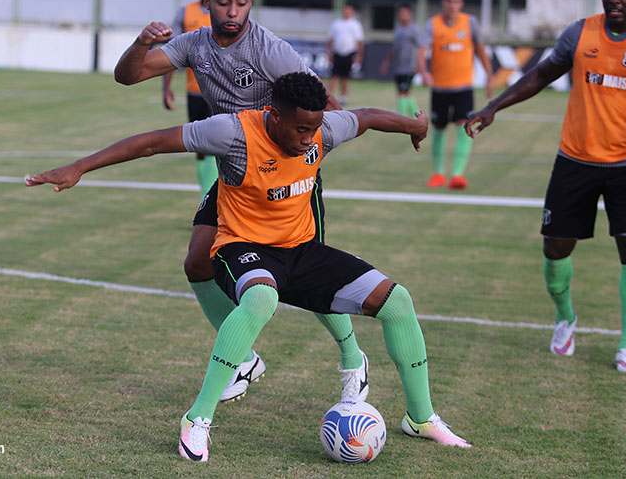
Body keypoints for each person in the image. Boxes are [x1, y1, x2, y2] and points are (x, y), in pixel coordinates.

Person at [26, 72, 472, 461]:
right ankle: (197, 418)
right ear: (272, 115)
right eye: (299, 129)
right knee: (261, 297)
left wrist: (414, 126)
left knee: (396, 301)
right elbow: (152, 143)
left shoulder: (319, 130)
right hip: (242, 247)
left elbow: (369, 116)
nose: (306, 139)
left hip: (301, 250)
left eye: (313, 130)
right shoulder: (232, 133)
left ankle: (421, 418)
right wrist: (80, 167)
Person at [113, 0, 369, 405]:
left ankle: (353, 359)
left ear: (252, 2)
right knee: (197, 262)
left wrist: (321, 144)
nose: (233, 11)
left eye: (242, 2)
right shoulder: (194, 43)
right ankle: (245, 360)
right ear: (206, 1)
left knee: (305, 274)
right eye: (224, 2)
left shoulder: (270, 49)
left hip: (285, 177)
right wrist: (140, 44)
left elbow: (320, 99)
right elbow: (128, 75)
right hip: (236, 173)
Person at [465, 0, 626, 374]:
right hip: (576, 159)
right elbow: (539, 76)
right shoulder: (580, 34)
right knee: (555, 248)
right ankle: (565, 319)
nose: (614, 0)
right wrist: (493, 106)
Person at [417, 0, 493, 190]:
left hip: (463, 87)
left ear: (461, 4)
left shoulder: (470, 23)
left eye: (456, 1)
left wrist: (489, 77)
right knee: (439, 129)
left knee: (464, 127)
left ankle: (458, 175)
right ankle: (438, 173)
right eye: (449, 1)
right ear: (444, 2)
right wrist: (424, 73)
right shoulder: (433, 24)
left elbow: (481, 50)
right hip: (440, 88)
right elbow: (422, 51)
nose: (452, 5)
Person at [161, 0, 216, 197]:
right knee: (201, 147)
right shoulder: (185, 13)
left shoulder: (225, 11)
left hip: (222, 92)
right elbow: (170, 52)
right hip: (195, 91)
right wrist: (166, 87)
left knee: (224, 145)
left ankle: (220, 201)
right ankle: (207, 198)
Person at [379, 2, 421, 118]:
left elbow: (420, 48)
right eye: (401, 13)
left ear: (410, 15)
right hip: (399, 66)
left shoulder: (414, 29)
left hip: (410, 66)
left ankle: (404, 116)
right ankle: (414, 115)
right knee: (402, 92)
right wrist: (387, 62)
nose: (403, 15)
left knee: (404, 92)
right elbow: (395, 48)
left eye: (405, 13)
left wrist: (419, 65)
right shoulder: (397, 29)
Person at [327, 4, 364, 106]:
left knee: (345, 77)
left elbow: (360, 41)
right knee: (334, 75)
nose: (346, 13)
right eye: (345, 11)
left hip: (349, 53)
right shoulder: (336, 24)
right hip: (337, 52)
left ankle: (343, 97)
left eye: (348, 11)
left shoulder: (355, 25)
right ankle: (328, 97)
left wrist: (359, 55)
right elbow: (330, 39)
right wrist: (329, 52)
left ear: (352, 13)